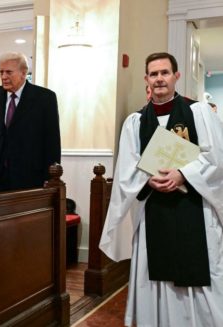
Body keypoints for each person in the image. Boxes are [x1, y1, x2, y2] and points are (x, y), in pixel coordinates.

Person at [99, 52, 223, 326]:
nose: (159, 79)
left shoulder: (198, 112)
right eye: (153, 74)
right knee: (154, 270)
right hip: (153, 210)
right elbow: (127, 168)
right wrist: (146, 179)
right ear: (146, 79)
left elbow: (217, 157)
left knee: (200, 268)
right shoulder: (135, 122)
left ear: (176, 76)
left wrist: (182, 174)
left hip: (194, 208)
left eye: (164, 73)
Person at [0, 52, 61, 194]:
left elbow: (52, 141)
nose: (4, 77)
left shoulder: (45, 98)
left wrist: (51, 176)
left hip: (28, 178)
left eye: (9, 72)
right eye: (1, 72)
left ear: (23, 73)